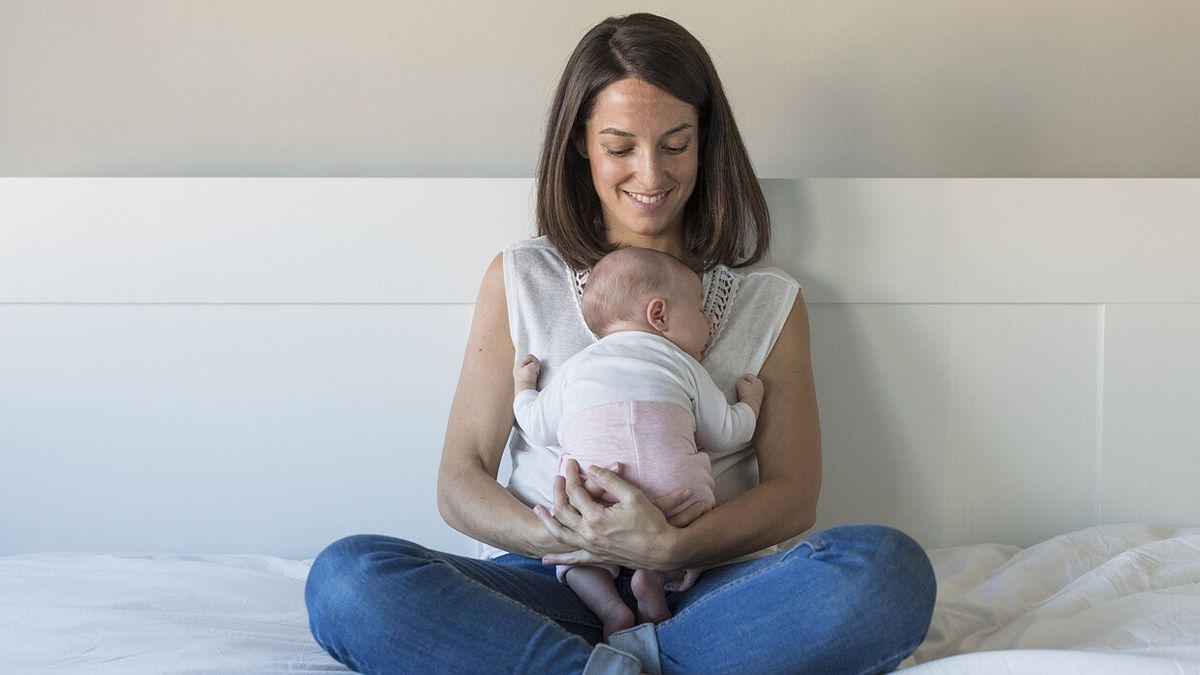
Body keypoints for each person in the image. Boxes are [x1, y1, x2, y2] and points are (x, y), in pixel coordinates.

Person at [305, 12, 936, 674]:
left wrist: (668, 547)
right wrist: (570, 536)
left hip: (710, 588)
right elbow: (460, 479)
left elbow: (793, 493)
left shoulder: (768, 300)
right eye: (620, 146)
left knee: (887, 569)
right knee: (348, 579)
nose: (650, 174)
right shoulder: (521, 277)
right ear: (581, 143)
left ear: (705, 140)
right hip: (553, 581)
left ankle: (609, 664)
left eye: (675, 144)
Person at [512, 246, 765, 638]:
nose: (710, 320)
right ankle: (654, 577)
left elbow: (535, 426)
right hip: (676, 493)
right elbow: (726, 432)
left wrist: (524, 386)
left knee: (577, 560)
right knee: (695, 529)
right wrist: (750, 403)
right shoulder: (684, 365)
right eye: (701, 309)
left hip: (592, 499)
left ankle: (610, 609)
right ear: (658, 314)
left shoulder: (576, 367)